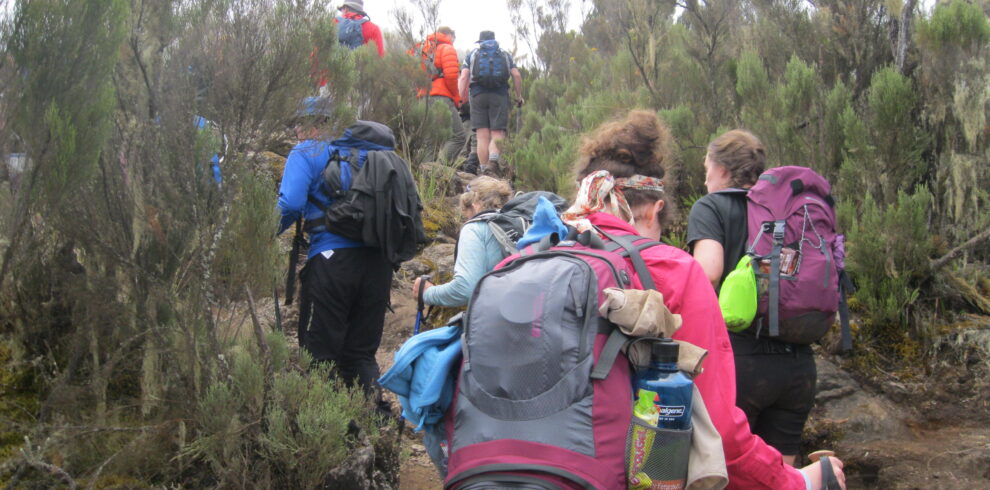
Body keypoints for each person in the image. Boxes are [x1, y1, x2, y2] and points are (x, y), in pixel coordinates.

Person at [565, 111, 845, 489]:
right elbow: (722, 436)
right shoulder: (675, 268)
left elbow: (710, 267)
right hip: (796, 362)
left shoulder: (540, 260)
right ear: (655, 206)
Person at [686, 129, 819, 468]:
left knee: (730, 471)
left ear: (723, 170)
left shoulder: (711, 207)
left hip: (740, 363)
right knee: (784, 474)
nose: (705, 180)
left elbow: (709, 270)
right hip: (798, 364)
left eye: (707, 170)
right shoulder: (789, 212)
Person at [277, 97, 393, 417]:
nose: (297, 131)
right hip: (379, 264)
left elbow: (289, 204)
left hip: (331, 261)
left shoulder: (306, 151)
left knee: (319, 354)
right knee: (360, 355)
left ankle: (325, 430)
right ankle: (375, 427)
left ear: (314, 123)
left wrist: (265, 234)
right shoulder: (373, 156)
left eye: (299, 124)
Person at [412, 176, 512, 307]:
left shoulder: (476, 228)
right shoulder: (516, 222)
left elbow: (465, 289)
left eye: (466, 213)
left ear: (474, 205)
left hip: (499, 316)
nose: (467, 218)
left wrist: (427, 293)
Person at [458, 30, 523, 174]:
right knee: (497, 133)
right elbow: (516, 75)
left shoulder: (472, 54)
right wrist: (519, 96)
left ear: (480, 42)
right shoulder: (505, 54)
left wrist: (460, 98)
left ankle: (483, 169)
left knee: (482, 135)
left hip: (477, 95)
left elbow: (463, 77)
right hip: (499, 95)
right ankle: (493, 163)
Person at [417, 26, 466, 165]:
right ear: (449, 34)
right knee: (458, 137)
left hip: (422, 98)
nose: (453, 41)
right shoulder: (446, 48)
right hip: (440, 97)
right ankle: (438, 172)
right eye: (453, 38)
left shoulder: (422, 49)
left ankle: (425, 176)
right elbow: (451, 76)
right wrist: (457, 97)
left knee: (429, 140)